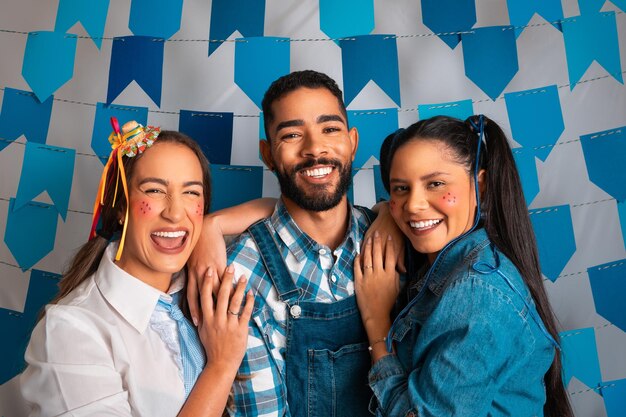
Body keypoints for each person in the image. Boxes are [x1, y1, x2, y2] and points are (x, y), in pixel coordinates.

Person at [20, 120, 253, 416]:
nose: (175, 213)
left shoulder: (201, 284)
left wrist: (211, 226)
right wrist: (221, 366)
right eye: (154, 191)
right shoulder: (70, 330)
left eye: (191, 193)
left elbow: (286, 209)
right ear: (120, 207)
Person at [354, 115, 574, 416]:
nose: (414, 204)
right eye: (401, 189)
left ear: (479, 187)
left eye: (435, 184)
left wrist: (377, 325)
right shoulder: (450, 259)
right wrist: (385, 217)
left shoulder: (477, 293)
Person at [187, 70, 378, 417]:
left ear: (352, 141)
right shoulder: (240, 276)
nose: (314, 148)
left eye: (330, 129)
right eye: (292, 134)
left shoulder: (388, 237)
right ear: (268, 154)